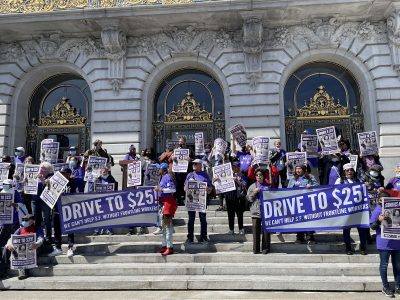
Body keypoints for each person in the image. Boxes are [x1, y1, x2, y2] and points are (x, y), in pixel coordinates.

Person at [370, 192, 400, 298]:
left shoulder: (398, 208)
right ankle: (385, 287)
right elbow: (372, 227)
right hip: (384, 244)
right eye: (381, 199)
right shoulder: (378, 210)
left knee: (398, 265)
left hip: (397, 243)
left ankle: (398, 286)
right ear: (379, 200)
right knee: (384, 265)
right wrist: (378, 220)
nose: (383, 201)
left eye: (386, 199)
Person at [335, 163, 367, 255]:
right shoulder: (340, 180)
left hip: (358, 210)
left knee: (362, 230)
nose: (350, 172)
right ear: (344, 172)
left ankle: (363, 248)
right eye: (347, 170)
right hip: (346, 210)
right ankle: (348, 248)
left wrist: (366, 185)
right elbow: (334, 192)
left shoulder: (359, 180)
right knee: (346, 230)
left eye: (351, 170)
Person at [5, 214, 43, 280]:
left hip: (34, 248)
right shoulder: (20, 229)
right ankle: (3, 268)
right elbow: (11, 238)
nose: (24, 222)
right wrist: (9, 244)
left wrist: (37, 244)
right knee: (6, 248)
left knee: (24, 253)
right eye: (23, 220)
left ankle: (23, 272)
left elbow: (41, 239)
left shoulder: (37, 228)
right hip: (21, 249)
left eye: (27, 220)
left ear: (32, 221)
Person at [49, 167, 77, 257]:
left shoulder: (73, 183)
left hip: (68, 209)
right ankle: (58, 248)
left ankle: (70, 247)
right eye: (61, 173)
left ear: (69, 174)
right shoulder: (56, 182)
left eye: (64, 173)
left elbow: (77, 195)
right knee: (57, 229)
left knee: (70, 228)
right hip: (57, 209)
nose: (62, 175)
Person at [287, 165, 319, 243]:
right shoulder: (292, 179)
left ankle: (310, 237)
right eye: (296, 168)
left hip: (307, 201)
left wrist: (311, 186)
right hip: (297, 202)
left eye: (299, 168)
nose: (298, 170)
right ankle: (300, 237)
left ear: (304, 169)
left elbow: (317, 185)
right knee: (299, 220)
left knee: (309, 219)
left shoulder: (310, 177)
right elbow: (287, 189)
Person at [184, 159, 212, 243]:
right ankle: (190, 237)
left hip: (201, 200)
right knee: (191, 219)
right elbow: (184, 187)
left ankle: (203, 236)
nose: (194, 165)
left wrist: (208, 189)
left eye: (195, 164)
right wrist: (186, 188)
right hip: (191, 200)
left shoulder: (205, 175)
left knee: (203, 219)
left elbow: (210, 188)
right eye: (193, 164)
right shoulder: (189, 175)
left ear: (200, 165)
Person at [155, 163, 177, 256]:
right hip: (163, 204)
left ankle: (169, 247)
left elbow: (173, 189)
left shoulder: (167, 177)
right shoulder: (163, 177)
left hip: (168, 203)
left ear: (162, 169)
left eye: (159, 169)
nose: (158, 170)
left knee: (167, 227)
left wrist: (161, 190)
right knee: (164, 227)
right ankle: (164, 246)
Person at [246, 169, 270, 254]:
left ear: (263, 176)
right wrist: (254, 193)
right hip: (255, 212)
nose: (258, 176)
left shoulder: (268, 186)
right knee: (256, 231)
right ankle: (256, 249)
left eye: (260, 175)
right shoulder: (252, 186)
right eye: (257, 175)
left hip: (266, 212)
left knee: (266, 231)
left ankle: (265, 248)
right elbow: (249, 198)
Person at [31, 162, 53, 244]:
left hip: (45, 201)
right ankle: (38, 236)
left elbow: (49, 185)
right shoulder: (35, 175)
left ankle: (48, 237)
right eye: (41, 167)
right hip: (35, 200)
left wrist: (42, 179)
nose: (41, 169)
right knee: (36, 219)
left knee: (46, 219)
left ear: (48, 170)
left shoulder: (50, 176)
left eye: (43, 168)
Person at [224, 160, 247, 235]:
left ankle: (241, 228)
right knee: (230, 214)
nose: (233, 168)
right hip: (229, 196)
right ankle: (231, 229)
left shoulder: (242, 175)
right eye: (232, 166)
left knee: (239, 214)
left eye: (235, 166)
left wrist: (237, 180)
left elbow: (244, 186)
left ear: (238, 167)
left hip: (238, 197)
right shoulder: (228, 174)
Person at [93, 167, 117, 236]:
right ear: (100, 173)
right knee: (98, 216)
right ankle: (97, 230)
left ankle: (108, 230)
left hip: (108, 200)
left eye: (105, 171)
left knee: (108, 216)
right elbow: (93, 190)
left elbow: (115, 187)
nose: (104, 173)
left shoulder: (111, 179)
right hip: (99, 201)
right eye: (103, 172)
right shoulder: (97, 180)